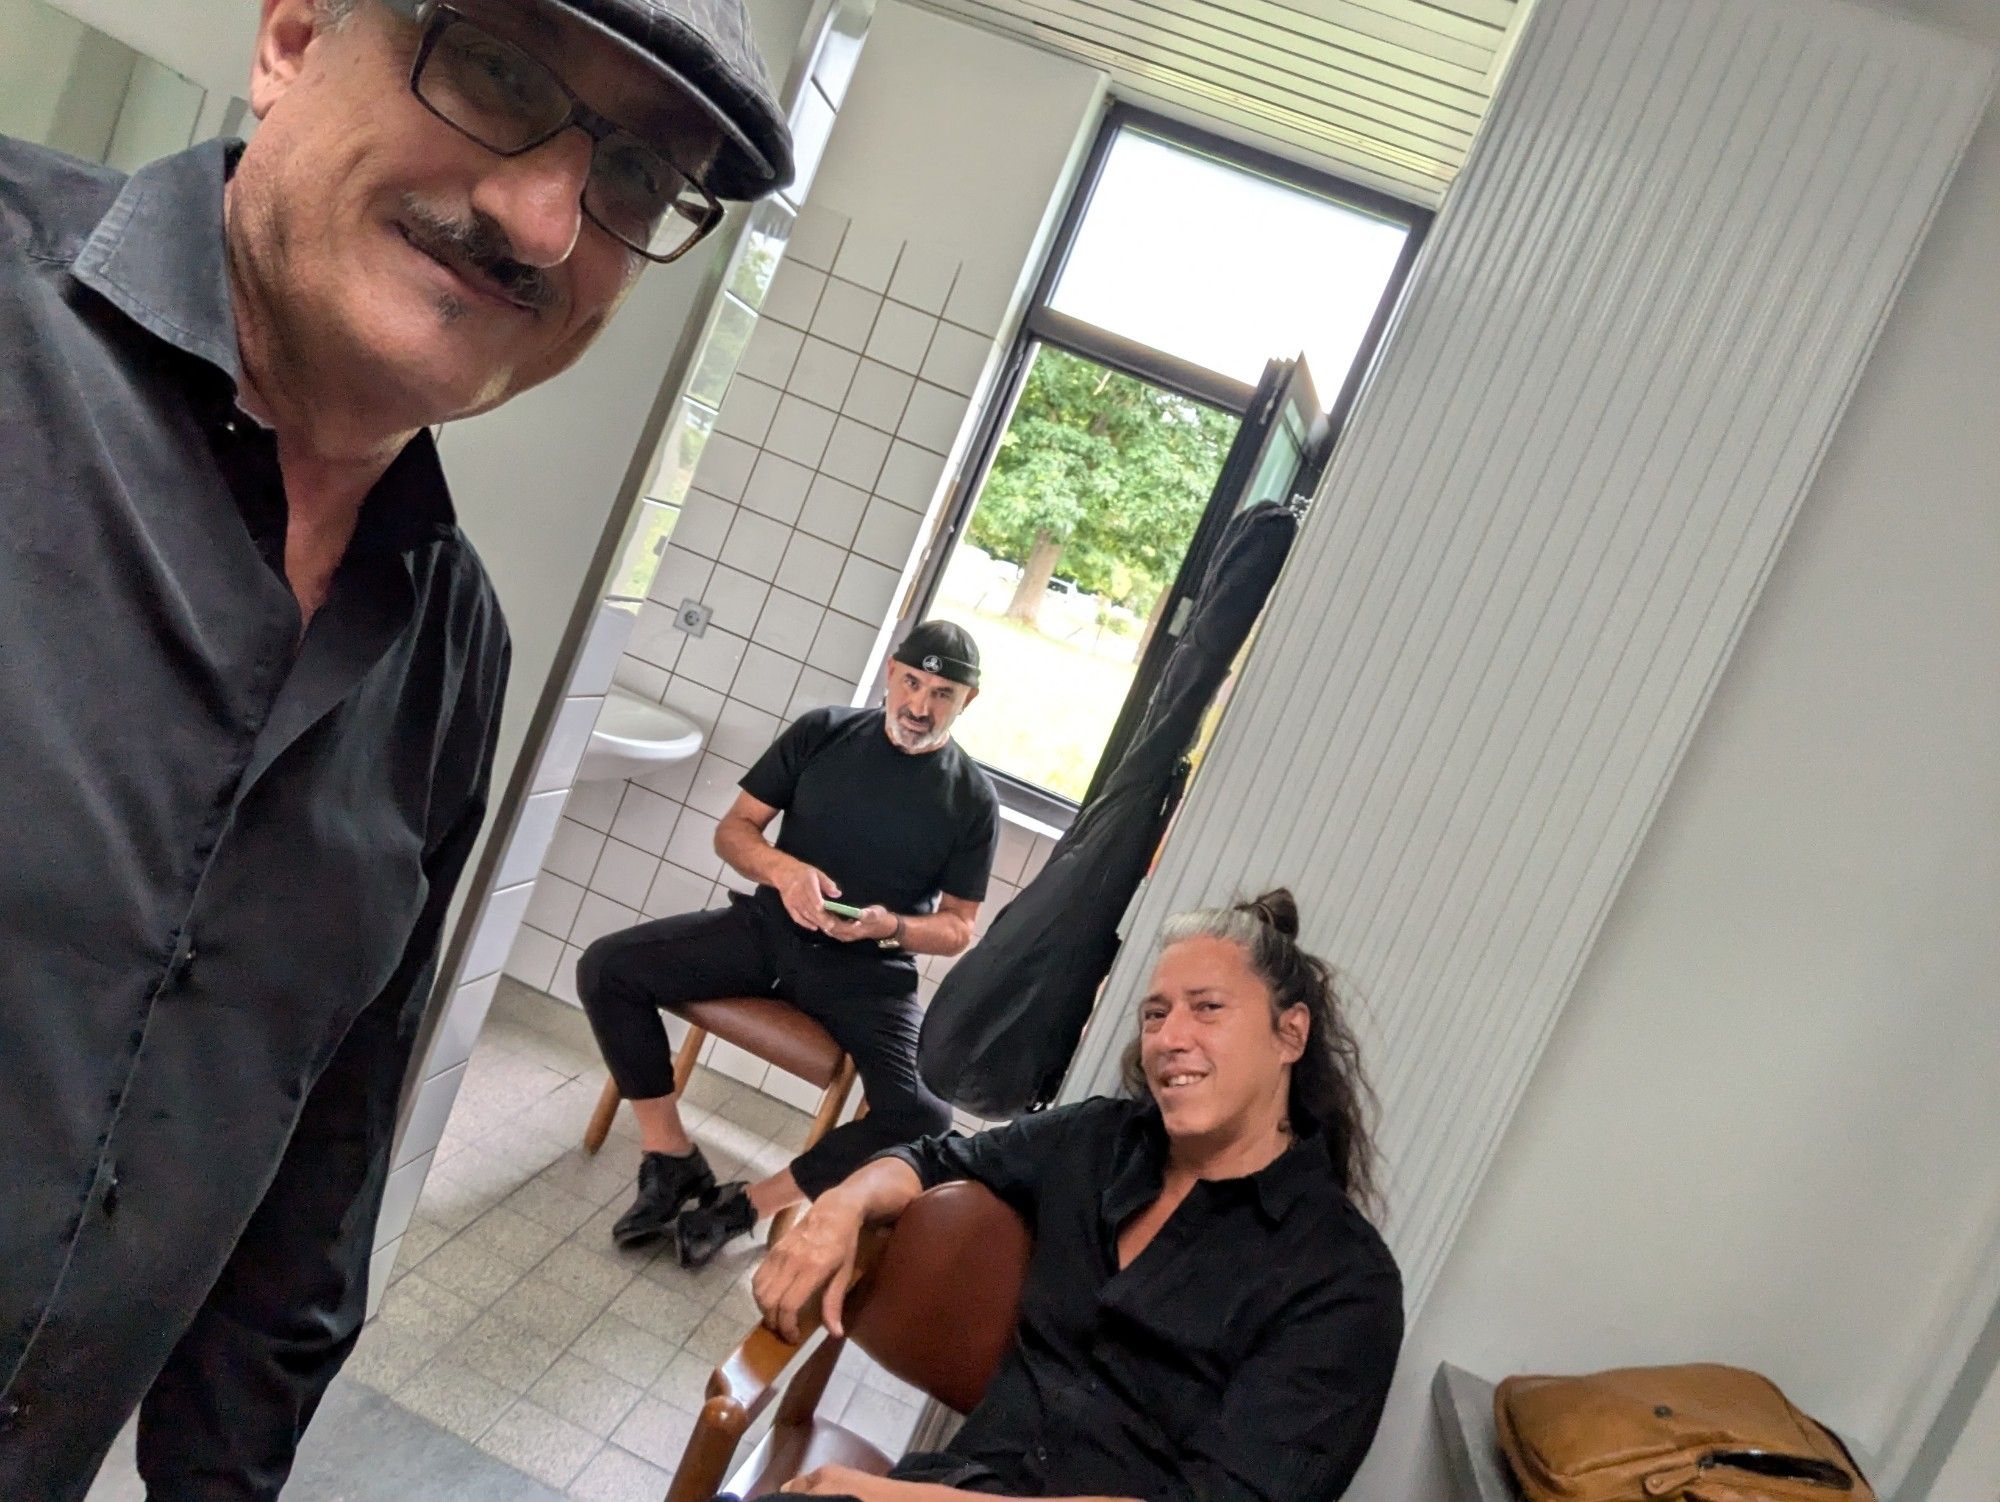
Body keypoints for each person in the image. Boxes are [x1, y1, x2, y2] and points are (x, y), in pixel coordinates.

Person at [0, 0, 791, 1496]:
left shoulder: (449, 653)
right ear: (294, 36)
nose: (547, 221)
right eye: (497, 69)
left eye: (634, 175)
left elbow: (314, 1182)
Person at [750, 889, 1405, 1502]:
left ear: (1290, 1034)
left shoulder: (1344, 1282)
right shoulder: (1097, 1142)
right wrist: (839, 1209)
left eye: (1207, 1008)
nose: (1170, 1038)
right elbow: (931, 1158)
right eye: (1155, 1015)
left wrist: (905, 1498)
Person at [579, 620, 1000, 1268]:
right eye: (912, 682)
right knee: (608, 967)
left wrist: (892, 928)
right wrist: (783, 870)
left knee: (924, 1113)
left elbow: (959, 925)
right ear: (891, 672)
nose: (920, 706)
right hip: (766, 932)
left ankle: (747, 1205)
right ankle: (670, 1160)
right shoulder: (822, 731)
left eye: (942, 693)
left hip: (867, 970)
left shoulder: (974, 799)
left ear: (968, 701)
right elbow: (736, 830)